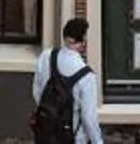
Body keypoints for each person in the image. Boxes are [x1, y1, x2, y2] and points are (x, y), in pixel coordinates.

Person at [32, 14, 104, 144]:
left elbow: (37, 91)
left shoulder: (45, 57)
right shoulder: (87, 76)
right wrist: (97, 141)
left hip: (45, 132)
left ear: (64, 37)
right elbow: (89, 118)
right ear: (83, 41)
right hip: (72, 138)